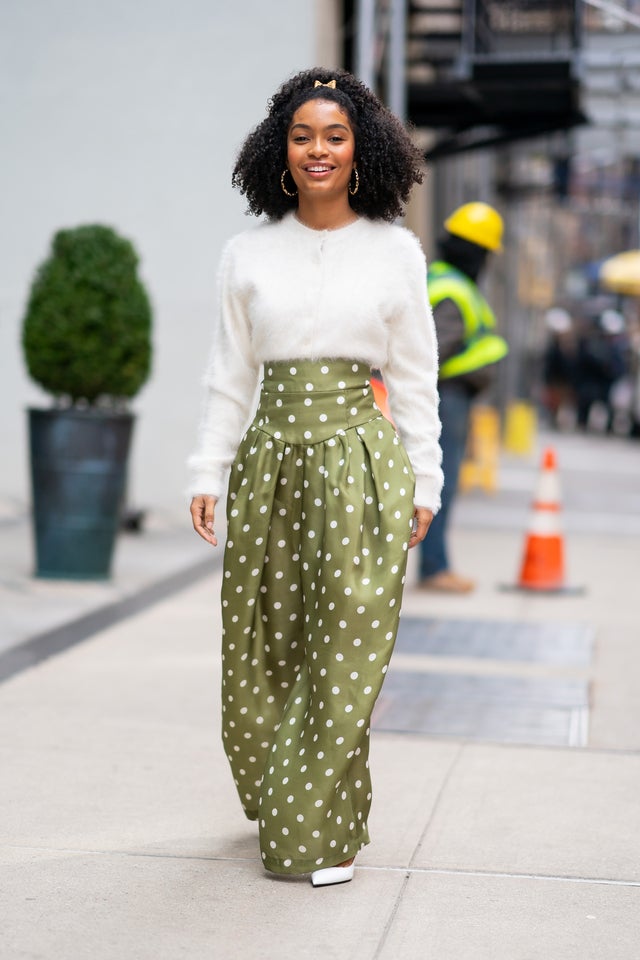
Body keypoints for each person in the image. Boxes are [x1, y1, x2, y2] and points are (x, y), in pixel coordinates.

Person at [188, 68, 443, 887]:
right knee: (263, 648)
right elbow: (230, 374)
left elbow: (415, 384)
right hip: (270, 463)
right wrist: (208, 467)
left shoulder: (396, 253)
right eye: (303, 136)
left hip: (364, 467)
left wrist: (426, 481)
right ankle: (278, 790)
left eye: (334, 135)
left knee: (347, 646)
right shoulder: (248, 253)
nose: (319, 150)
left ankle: (317, 829)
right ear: (281, 149)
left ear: (361, 148)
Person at [418, 202, 508, 593]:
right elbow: (434, 352)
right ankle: (435, 568)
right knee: (440, 484)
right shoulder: (454, 291)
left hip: (446, 397)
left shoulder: (442, 280)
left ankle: (435, 565)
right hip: (446, 398)